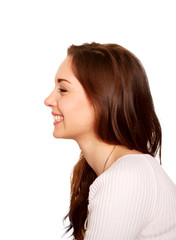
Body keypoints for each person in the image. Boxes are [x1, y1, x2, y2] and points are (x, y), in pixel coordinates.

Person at [44, 43, 176, 240]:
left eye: (63, 89)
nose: (48, 100)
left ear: (102, 98)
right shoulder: (119, 172)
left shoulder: (128, 176)